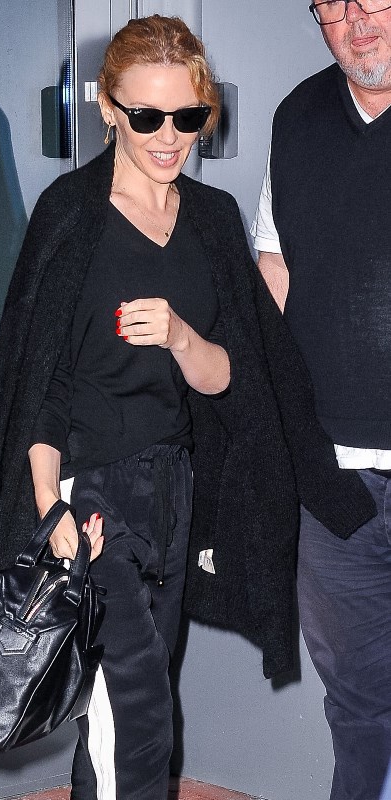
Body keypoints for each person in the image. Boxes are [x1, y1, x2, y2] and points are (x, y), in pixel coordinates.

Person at [0, 15, 376, 800]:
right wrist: (49, 506)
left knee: (125, 696)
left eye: (187, 117)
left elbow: (234, 377)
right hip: (90, 497)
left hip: (171, 490)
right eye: (145, 116)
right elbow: (36, 384)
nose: (168, 137)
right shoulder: (72, 216)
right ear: (107, 108)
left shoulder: (212, 221)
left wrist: (183, 336)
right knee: (139, 710)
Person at [251, 2, 391, 798]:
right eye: (330, 4)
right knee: (358, 702)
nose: (352, 20)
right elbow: (274, 268)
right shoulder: (297, 116)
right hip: (329, 478)